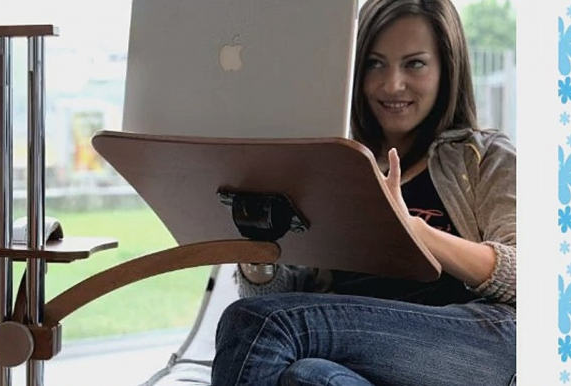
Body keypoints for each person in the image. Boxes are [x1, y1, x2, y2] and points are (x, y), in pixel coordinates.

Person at [210, 0, 516, 385]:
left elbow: (529, 279)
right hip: (359, 360)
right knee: (307, 376)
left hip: (479, 347)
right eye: (374, 63)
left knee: (255, 323)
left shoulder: (485, 156)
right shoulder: (333, 164)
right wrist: (256, 252)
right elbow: (283, 297)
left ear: (447, 68)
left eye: (415, 63)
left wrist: (414, 230)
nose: (392, 84)